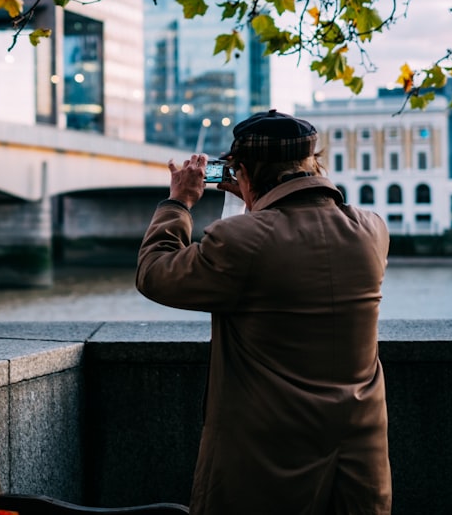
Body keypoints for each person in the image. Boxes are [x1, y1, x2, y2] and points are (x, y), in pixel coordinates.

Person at [136, 109, 392, 515]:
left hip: (268, 461)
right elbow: (295, 239)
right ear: (313, 163)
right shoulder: (371, 230)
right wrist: (258, 198)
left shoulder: (243, 238)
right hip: (358, 458)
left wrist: (178, 202)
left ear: (242, 170)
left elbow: (155, 273)